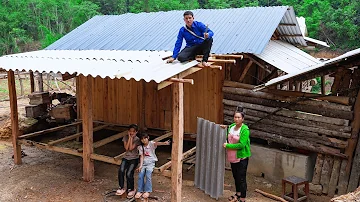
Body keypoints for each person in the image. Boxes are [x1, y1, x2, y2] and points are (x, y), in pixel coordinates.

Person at [221, 106, 251, 202]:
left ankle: (243, 198)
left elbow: (241, 145)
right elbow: (228, 136)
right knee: (235, 175)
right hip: (232, 156)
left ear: (242, 119)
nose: (236, 119)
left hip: (242, 157)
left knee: (241, 177)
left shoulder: (245, 130)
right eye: (235, 117)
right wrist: (223, 128)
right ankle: (238, 194)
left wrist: (228, 146)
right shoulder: (231, 127)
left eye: (239, 117)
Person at [134, 133, 171, 199]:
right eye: (142, 139)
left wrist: (164, 143)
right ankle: (140, 190)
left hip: (151, 163)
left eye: (145, 138)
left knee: (148, 175)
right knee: (140, 175)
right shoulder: (140, 147)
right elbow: (141, 157)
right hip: (144, 163)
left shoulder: (151, 143)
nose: (144, 140)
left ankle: (147, 191)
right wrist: (140, 166)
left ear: (148, 138)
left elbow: (156, 143)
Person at [116, 124, 141, 198]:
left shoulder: (137, 140)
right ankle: (121, 187)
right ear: (128, 131)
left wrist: (131, 138)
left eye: (133, 131)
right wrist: (129, 138)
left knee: (129, 173)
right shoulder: (125, 138)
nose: (131, 133)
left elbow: (131, 148)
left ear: (136, 132)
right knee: (121, 170)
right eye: (130, 131)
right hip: (126, 158)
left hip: (134, 159)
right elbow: (126, 148)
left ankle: (131, 189)